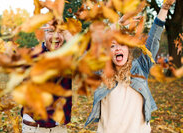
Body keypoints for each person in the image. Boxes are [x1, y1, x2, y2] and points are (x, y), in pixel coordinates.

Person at [85, 0, 175, 132]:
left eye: (122, 45)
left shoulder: (140, 67)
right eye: (112, 46)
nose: (117, 49)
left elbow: (154, 38)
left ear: (128, 49)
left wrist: (165, 8)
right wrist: (118, 24)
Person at [21, 20, 73, 133]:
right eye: (51, 31)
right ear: (42, 35)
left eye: (60, 32)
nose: (56, 36)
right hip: (35, 128)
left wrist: (68, 34)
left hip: (59, 128)